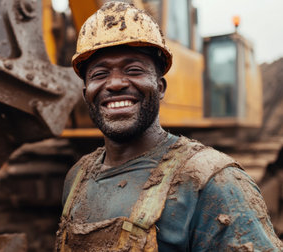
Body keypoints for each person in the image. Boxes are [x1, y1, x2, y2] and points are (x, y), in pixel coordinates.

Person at [55, 1, 283, 251]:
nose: (116, 83)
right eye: (99, 74)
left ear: (160, 87)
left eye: (133, 70)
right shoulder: (77, 177)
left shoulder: (213, 183)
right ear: (86, 92)